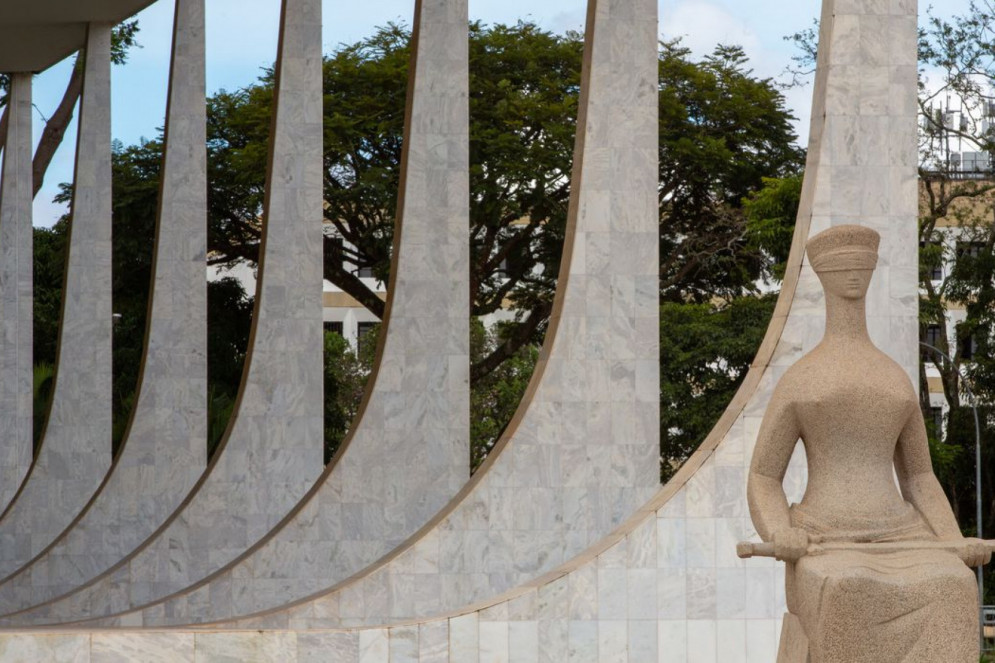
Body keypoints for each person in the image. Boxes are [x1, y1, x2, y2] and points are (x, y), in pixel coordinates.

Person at [747, 224, 990, 662]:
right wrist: (780, 531)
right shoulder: (801, 379)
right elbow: (764, 476)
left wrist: (953, 540)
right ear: (824, 276)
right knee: (849, 587)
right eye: (843, 267)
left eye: (862, 266)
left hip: (902, 534)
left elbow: (919, 476)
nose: (854, 275)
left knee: (954, 585)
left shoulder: (893, 377)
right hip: (825, 537)